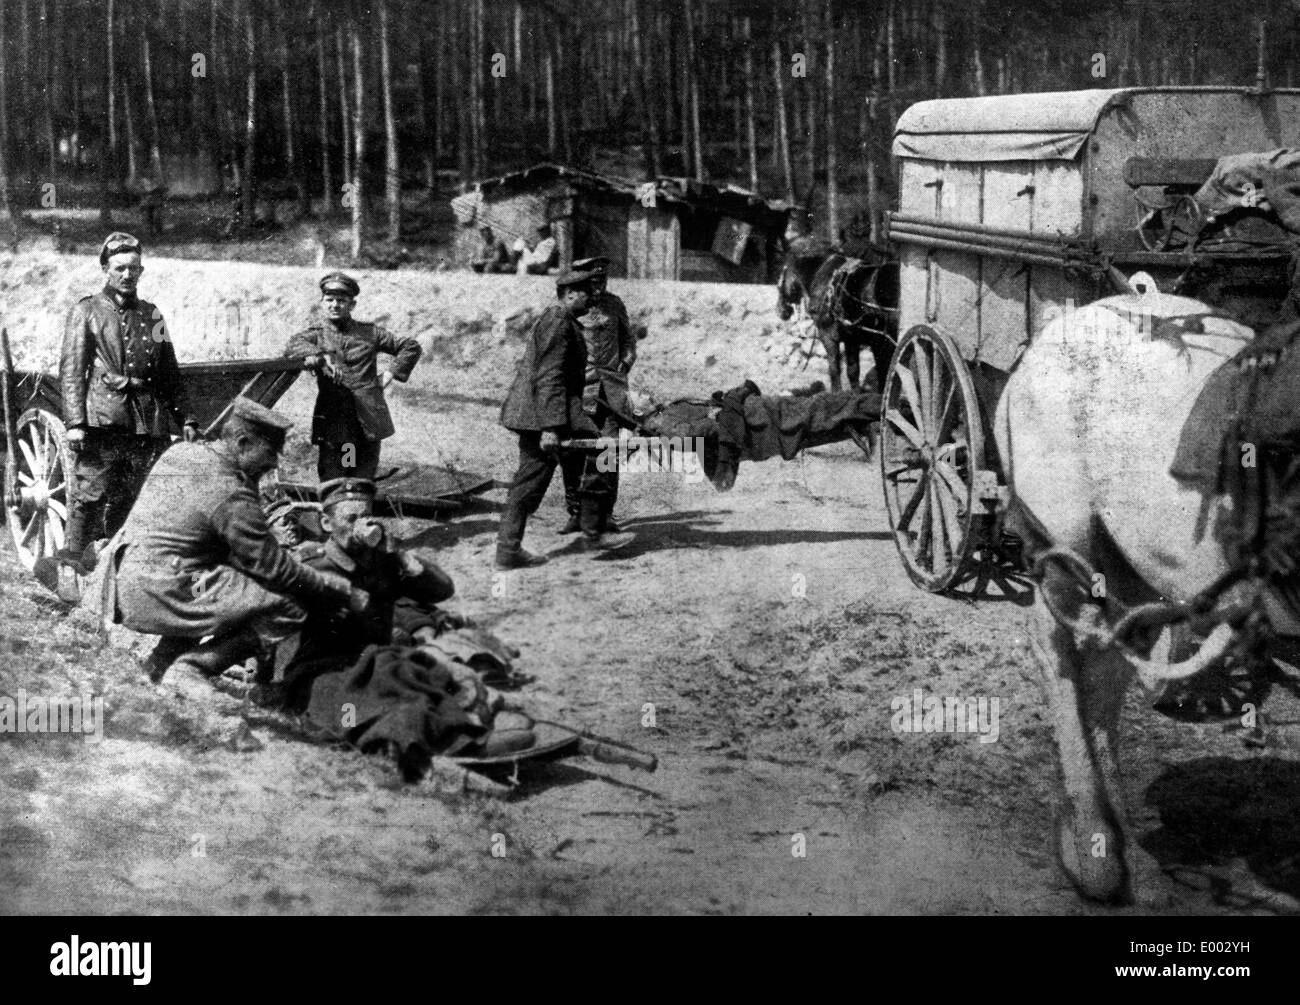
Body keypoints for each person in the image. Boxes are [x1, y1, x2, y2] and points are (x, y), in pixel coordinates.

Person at [106, 397, 363, 683]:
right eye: (270, 451)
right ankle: (192, 668)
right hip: (167, 590)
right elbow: (275, 568)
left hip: (127, 580)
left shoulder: (181, 452)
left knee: (216, 580)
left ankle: (157, 669)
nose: (273, 462)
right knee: (289, 604)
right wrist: (335, 588)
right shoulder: (232, 490)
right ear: (242, 442)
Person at [58, 231, 199, 575]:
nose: (126, 274)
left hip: (146, 422)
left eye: (133, 268)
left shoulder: (153, 315)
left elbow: (169, 372)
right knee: (91, 494)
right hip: (103, 419)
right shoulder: (86, 310)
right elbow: (72, 370)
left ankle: (118, 574)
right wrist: (75, 424)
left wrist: (186, 418)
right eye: (119, 268)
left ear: (141, 271)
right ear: (105, 269)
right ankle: (71, 568)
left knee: (135, 496)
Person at [496, 268, 630, 568]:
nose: (592, 299)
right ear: (569, 294)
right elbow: (550, 377)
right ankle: (509, 550)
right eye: (586, 294)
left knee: (595, 456)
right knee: (530, 484)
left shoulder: (563, 320)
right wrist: (551, 428)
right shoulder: (558, 321)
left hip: (551, 414)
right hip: (541, 418)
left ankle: (592, 532)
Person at [283, 476, 456, 698]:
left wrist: (399, 555)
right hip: (328, 670)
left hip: (381, 662)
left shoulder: (381, 559)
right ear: (326, 523)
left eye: (366, 517)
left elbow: (442, 590)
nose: (360, 525)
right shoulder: (311, 567)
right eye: (351, 519)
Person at [284, 272, 423, 481]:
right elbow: (293, 345)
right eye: (329, 300)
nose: (335, 305)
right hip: (336, 419)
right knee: (336, 477)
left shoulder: (370, 333)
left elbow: (410, 346)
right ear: (322, 303)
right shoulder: (316, 335)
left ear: (352, 304)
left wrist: (390, 374)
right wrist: (320, 355)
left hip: (368, 417)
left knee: (361, 477)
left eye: (341, 300)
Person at [560, 256, 636, 535]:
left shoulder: (615, 304)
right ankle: (576, 512)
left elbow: (629, 341)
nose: (599, 286)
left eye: (603, 280)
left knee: (609, 452)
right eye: (593, 281)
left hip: (611, 392)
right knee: (573, 452)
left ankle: (606, 513)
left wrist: (624, 364)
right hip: (581, 391)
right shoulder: (572, 308)